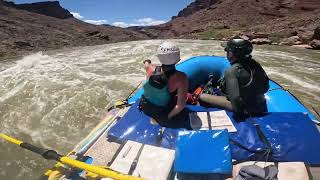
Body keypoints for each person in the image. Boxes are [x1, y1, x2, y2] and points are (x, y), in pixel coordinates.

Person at [199, 38, 269, 120]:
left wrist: (243, 112)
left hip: (246, 110)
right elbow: (266, 87)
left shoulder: (231, 72)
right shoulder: (256, 64)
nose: (227, 53)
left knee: (202, 96)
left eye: (227, 51)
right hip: (260, 106)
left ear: (232, 54)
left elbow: (235, 100)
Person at [139, 41, 190, 129]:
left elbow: (146, 63)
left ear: (159, 57)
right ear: (178, 59)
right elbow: (180, 106)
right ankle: (158, 119)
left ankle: (153, 117)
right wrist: (167, 117)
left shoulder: (150, 68)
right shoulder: (182, 78)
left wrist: (147, 61)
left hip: (144, 106)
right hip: (161, 112)